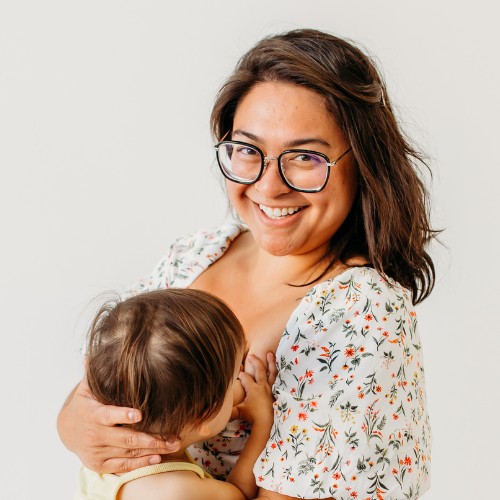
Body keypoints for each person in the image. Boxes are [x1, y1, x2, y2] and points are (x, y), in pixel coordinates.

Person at [58, 29, 435, 499]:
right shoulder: (194, 256)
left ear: (362, 162)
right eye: (247, 149)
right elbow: (101, 390)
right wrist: (73, 426)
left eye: (304, 157)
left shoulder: (361, 312)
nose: (269, 186)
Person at [75, 288, 276, 500]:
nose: (240, 380)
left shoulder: (106, 450)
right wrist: (263, 422)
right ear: (201, 416)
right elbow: (240, 494)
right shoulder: (180, 491)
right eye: (235, 377)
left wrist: (228, 403)